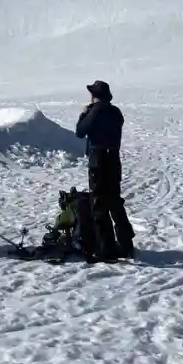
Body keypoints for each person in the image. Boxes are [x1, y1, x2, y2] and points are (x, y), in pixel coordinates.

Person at [76, 80, 135, 261]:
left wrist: (84, 114)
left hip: (99, 160)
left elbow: (80, 131)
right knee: (115, 202)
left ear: (95, 96)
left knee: (99, 204)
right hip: (113, 158)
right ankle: (126, 244)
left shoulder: (95, 111)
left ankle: (107, 249)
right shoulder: (116, 112)